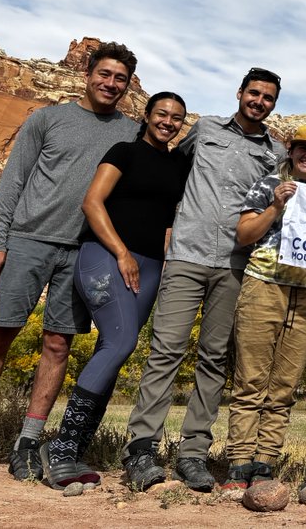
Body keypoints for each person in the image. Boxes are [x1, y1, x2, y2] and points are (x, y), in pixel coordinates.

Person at [0, 42, 139, 485]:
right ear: (88, 74)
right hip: (29, 240)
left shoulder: (130, 132)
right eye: (105, 74)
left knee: (58, 344)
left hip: (83, 251)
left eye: (120, 79)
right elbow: (13, 181)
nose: (110, 84)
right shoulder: (48, 118)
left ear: (127, 86)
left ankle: (28, 444)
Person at [124, 67, 282, 492]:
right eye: (254, 93)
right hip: (186, 256)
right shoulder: (205, 128)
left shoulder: (276, 152)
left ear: (273, 104)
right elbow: (171, 175)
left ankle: (193, 454)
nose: (259, 102)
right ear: (240, 93)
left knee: (213, 358)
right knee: (166, 350)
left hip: (235, 264)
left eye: (268, 98)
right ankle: (141, 448)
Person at [41, 91, 191, 488]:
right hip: (105, 256)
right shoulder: (124, 150)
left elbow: (167, 218)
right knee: (121, 342)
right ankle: (61, 447)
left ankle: (76, 449)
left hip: (150, 266)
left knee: (115, 350)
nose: (169, 122)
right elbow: (92, 203)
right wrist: (122, 252)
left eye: (177, 118)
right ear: (147, 114)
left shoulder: (176, 165)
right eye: (162, 114)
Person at [222, 124, 306, 491]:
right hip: (264, 284)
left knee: (285, 383)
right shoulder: (268, 183)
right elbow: (244, 235)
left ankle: (265, 461)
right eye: (303, 148)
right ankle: (239, 460)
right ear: (291, 150)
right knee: (251, 377)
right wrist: (276, 205)